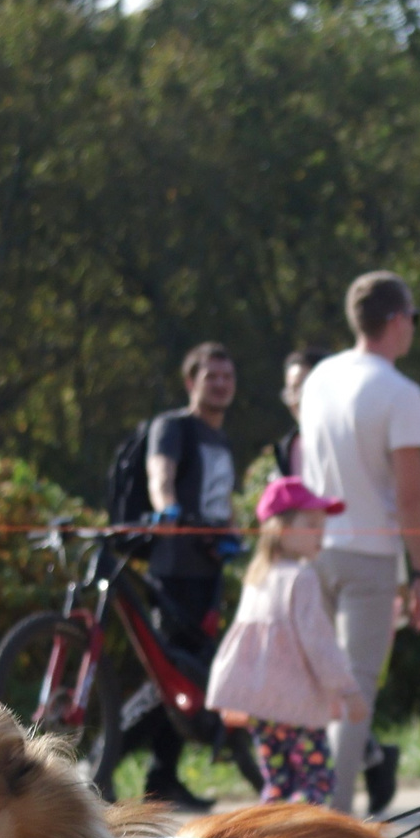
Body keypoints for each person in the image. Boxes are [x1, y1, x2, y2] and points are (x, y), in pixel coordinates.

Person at [300, 271, 420, 814]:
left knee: (317, 692)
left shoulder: (318, 378)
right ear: (397, 319)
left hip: (314, 548)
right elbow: (410, 494)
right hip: (370, 555)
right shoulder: (401, 392)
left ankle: (304, 805)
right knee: (355, 694)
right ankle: (330, 819)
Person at [205, 477, 371, 806]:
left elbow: (244, 645)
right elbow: (319, 644)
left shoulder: (257, 578)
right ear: (281, 528)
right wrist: (348, 690)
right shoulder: (302, 578)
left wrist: (233, 695)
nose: (320, 532)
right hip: (299, 711)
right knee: (315, 784)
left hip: (264, 711)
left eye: (322, 525)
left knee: (277, 786)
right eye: (310, 524)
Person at [139, 341, 240, 808]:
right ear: (191, 382)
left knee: (192, 676)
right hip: (174, 569)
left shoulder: (220, 438)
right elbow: (160, 473)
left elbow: (219, 499)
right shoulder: (174, 426)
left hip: (209, 570)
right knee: (168, 672)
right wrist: (168, 509)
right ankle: (100, 758)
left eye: (226, 376)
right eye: (210, 376)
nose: (220, 384)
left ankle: (163, 779)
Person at [273, 347, 330, 480]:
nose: (297, 399)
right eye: (292, 390)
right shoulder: (287, 448)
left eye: (304, 388)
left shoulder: (348, 440)